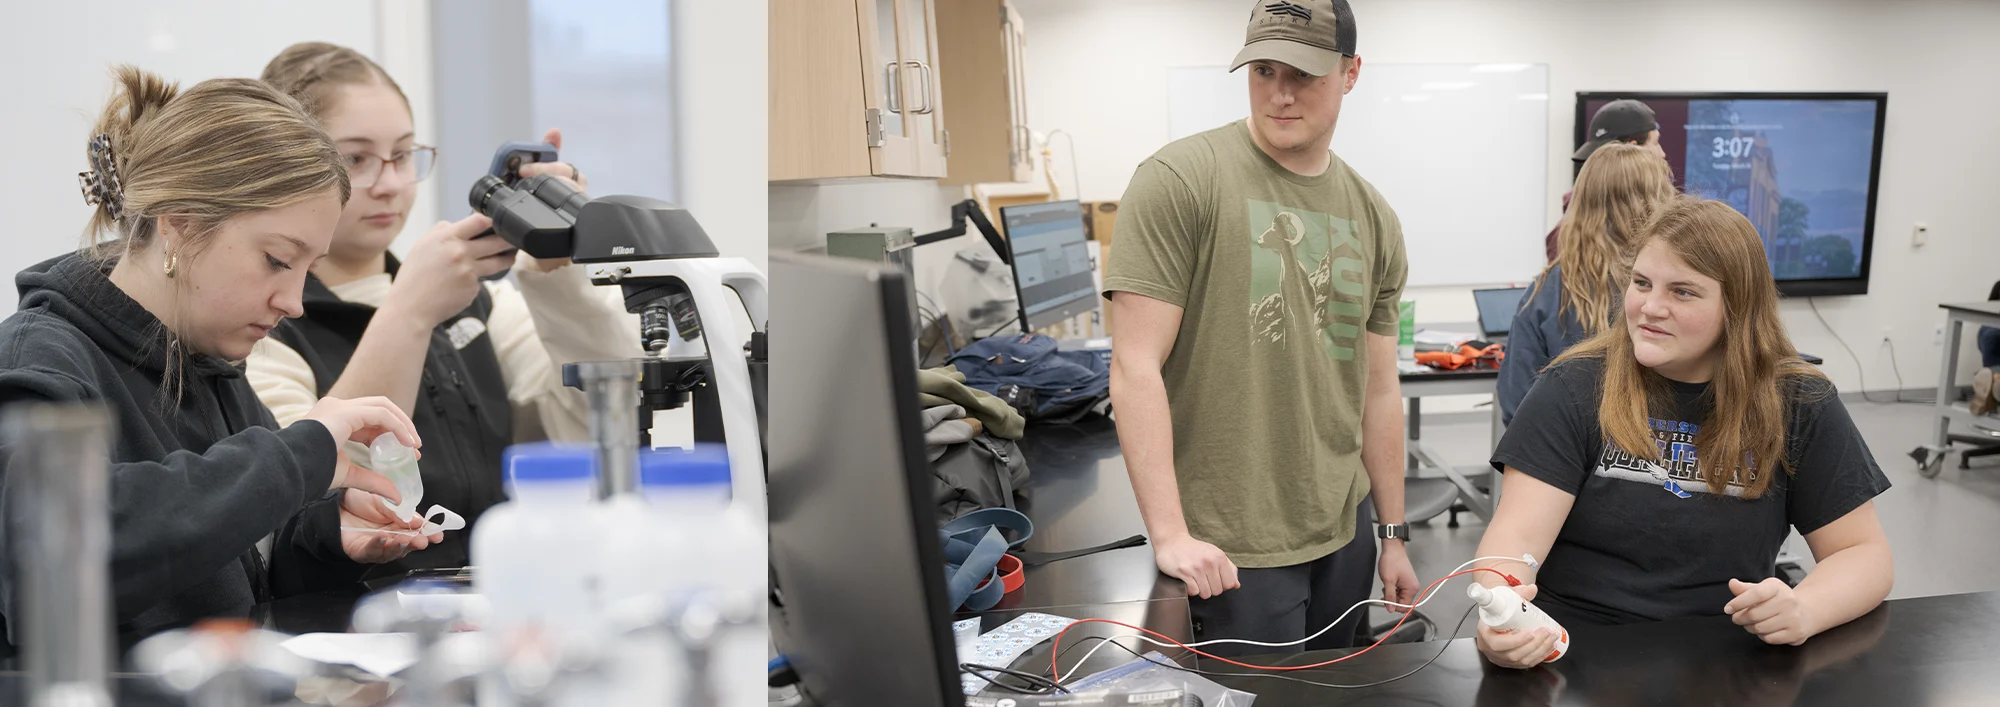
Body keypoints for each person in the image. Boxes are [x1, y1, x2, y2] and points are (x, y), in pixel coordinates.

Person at [0, 66, 432, 647]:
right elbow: (56, 565)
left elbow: (237, 576)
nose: (294, 302)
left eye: (309, 269)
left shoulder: (213, 366)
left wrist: (324, 538)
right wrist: (295, 456)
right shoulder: (39, 363)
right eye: (278, 260)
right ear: (179, 225)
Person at [247, 43, 641, 589]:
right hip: (344, 623)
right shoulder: (264, 327)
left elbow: (597, 424)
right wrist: (409, 312)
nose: (390, 184)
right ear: (287, 168)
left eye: (403, 154)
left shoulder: (481, 303)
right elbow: (308, 496)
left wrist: (556, 269)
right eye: (356, 159)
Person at [1103, 0, 1418, 656]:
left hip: (1345, 530)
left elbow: (1379, 388)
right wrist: (1170, 534)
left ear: (1351, 72)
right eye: (1264, 70)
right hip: (1232, 542)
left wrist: (1392, 534)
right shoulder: (1179, 181)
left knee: (1336, 694)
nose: (1280, 93)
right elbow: (1134, 367)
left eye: (1304, 74)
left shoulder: (1374, 216)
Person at [1472, 197, 1894, 670]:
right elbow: (1514, 540)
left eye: (1683, 292)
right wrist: (1505, 617)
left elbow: (1863, 553)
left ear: (1738, 306)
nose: (1650, 307)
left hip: (1730, 662)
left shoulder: (1799, 402)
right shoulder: (1572, 387)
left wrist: (1806, 607)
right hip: (1574, 652)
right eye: (1641, 283)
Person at [1498, 144, 1676, 424]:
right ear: (1654, 202)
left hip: (1559, 442)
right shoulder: (1667, 292)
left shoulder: (1546, 291)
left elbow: (1516, 400)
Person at [1547, 99, 1667, 263]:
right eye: (1655, 142)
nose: (1662, 153)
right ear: (1632, 149)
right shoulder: (1657, 231)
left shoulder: (1566, 231)